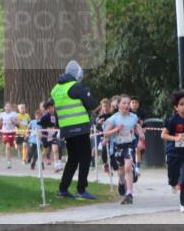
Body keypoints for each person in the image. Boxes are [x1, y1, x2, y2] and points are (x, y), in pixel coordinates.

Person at [52, 60, 99, 199]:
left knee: (72, 158)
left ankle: (63, 188)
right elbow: (92, 104)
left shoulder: (56, 89)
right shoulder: (75, 87)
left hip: (66, 128)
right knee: (85, 157)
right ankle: (81, 189)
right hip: (79, 127)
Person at [103, 95, 144, 205]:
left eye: (128, 103)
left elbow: (136, 127)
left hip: (130, 145)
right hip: (118, 146)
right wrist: (116, 129)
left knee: (128, 167)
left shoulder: (133, 117)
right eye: (124, 103)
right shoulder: (114, 119)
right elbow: (106, 133)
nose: (126, 105)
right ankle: (121, 182)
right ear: (119, 105)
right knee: (121, 170)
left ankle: (129, 193)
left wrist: (141, 137)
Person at [0, 101, 18, 168]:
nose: (8, 108)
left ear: (11, 108)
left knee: (10, 147)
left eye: (9, 106)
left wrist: (14, 122)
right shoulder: (2, 114)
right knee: (8, 146)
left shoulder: (14, 114)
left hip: (12, 132)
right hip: (5, 132)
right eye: (6, 106)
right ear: (4, 107)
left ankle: (9, 159)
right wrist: (0, 124)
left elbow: (18, 124)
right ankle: (8, 162)